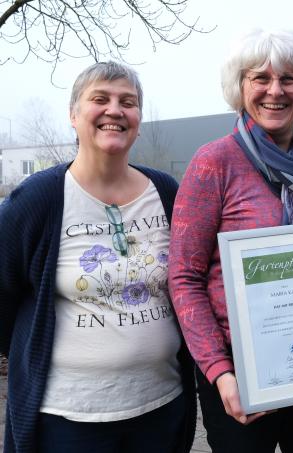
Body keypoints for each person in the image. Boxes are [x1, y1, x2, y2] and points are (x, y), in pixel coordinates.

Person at [168, 29, 293, 453]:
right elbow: (184, 277)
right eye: (260, 78)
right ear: (240, 87)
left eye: (289, 79)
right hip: (240, 373)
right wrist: (219, 371)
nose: (274, 91)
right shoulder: (214, 162)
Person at [0, 61, 197, 453]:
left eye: (128, 101)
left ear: (138, 118)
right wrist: (27, 348)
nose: (115, 110)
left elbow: (191, 280)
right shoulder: (39, 199)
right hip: (70, 418)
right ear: (74, 115)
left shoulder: (167, 192)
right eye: (100, 99)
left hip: (160, 407)